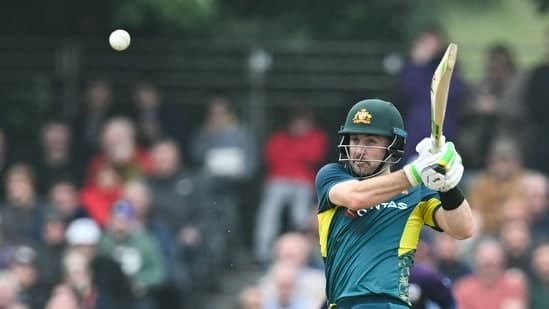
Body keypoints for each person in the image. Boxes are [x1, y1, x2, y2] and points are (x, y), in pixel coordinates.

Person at [315, 99, 474, 308]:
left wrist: (448, 186)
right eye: (354, 139)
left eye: (370, 142)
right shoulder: (333, 176)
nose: (358, 151)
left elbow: (463, 229)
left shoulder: (417, 192)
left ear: (393, 145)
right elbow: (357, 198)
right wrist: (416, 171)